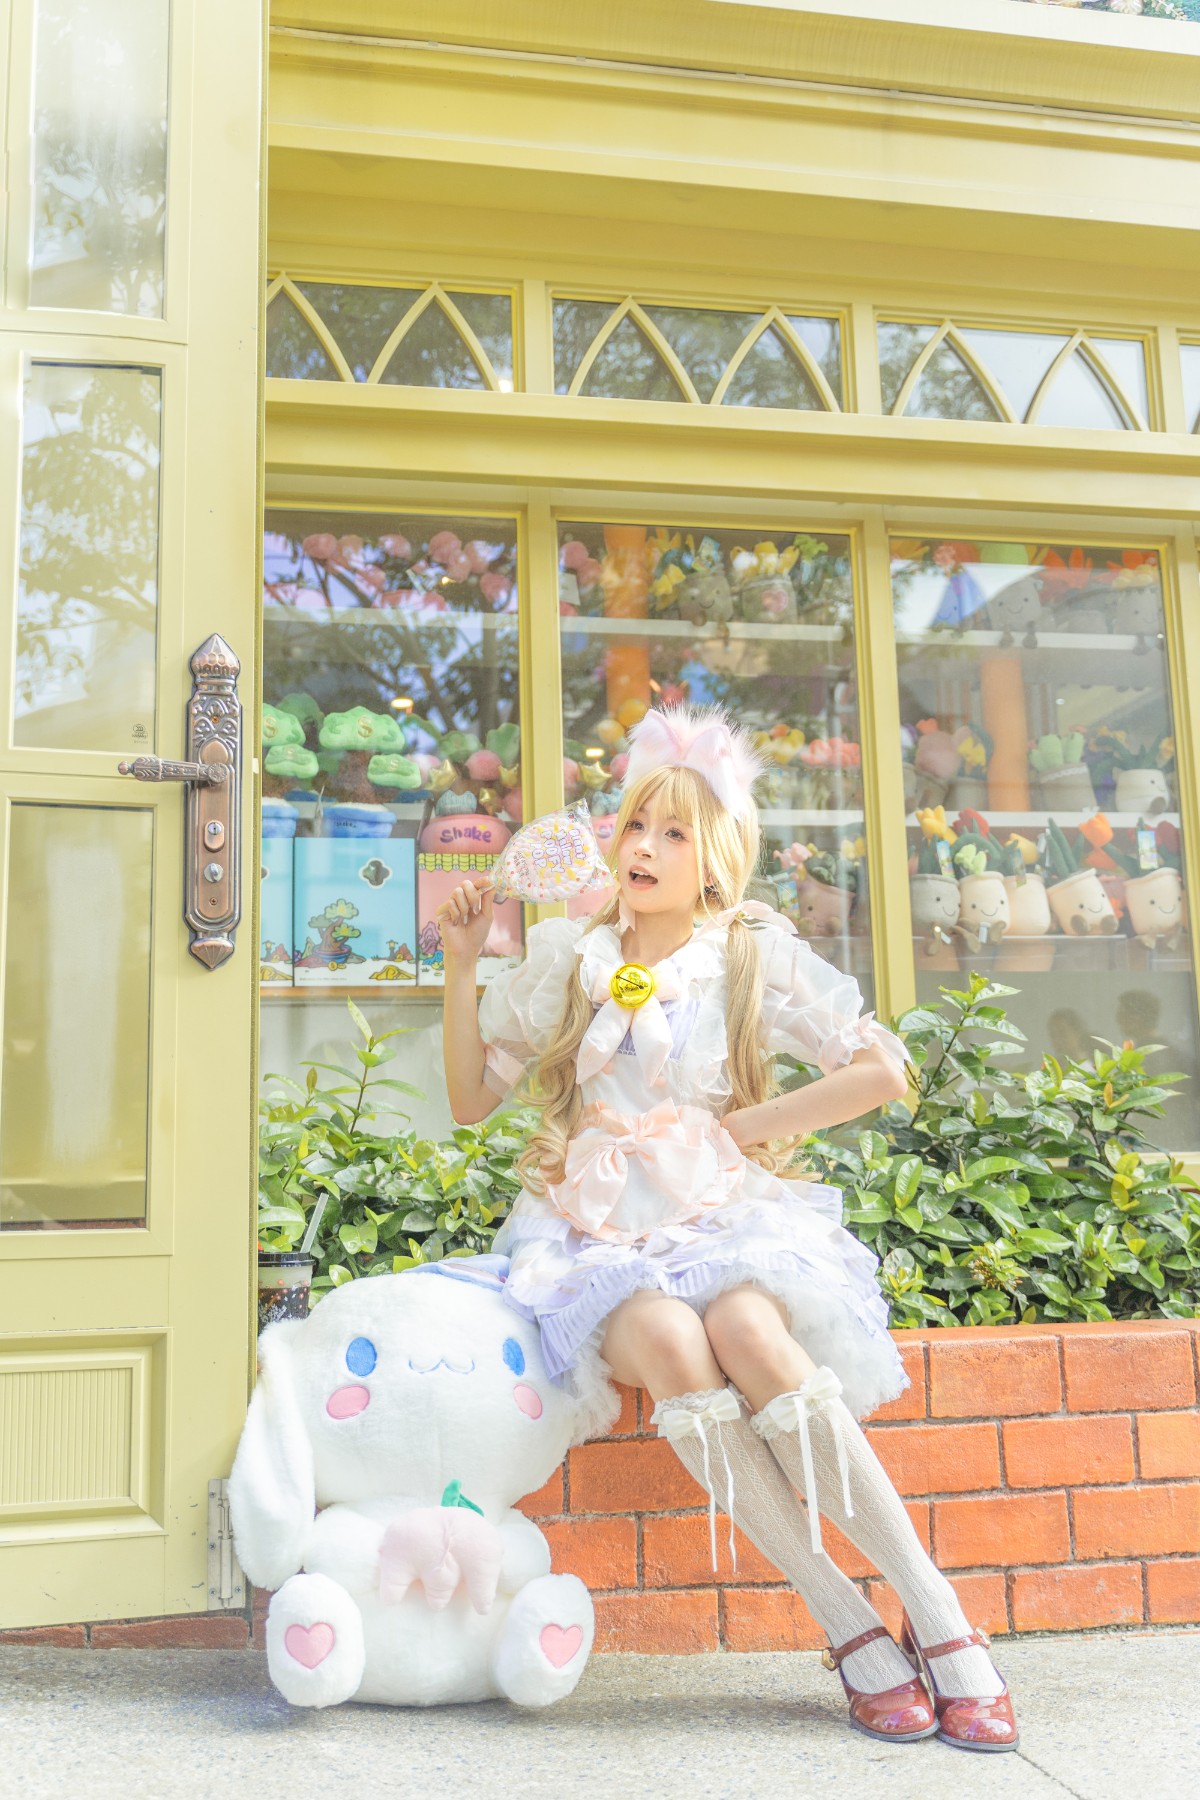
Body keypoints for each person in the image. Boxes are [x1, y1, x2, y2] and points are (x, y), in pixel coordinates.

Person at [437, 704, 1017, 1752]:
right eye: (635, 825)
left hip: (717, 1213)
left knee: (748, 1332)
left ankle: (936, 1612)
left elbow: (881, 1071)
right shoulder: (572, 955)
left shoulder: (746, 952)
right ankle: (847, 1622)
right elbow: (473, 1099)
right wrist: (463, 961)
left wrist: (742, 1128)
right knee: (669, 1341)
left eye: (674, 832)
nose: (644, 847)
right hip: (596, 1232)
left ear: (715, 859)